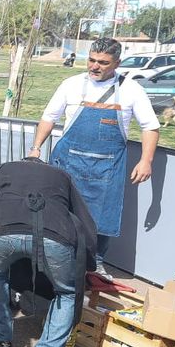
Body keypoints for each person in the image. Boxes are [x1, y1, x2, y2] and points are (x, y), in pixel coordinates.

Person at [27, 37, 159, 279]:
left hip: (107, 169)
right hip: (68, 164)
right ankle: (53, 258)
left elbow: (150, 126)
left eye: (103, 62)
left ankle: (95, 264)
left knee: (101, 218)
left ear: (116, 63)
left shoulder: (131, 90)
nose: (95, 66)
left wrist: (146, 160)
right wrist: (36, 148)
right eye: (91, 60)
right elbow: (49, 117)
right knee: (59, 212)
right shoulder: (71, 84)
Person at [0, 157, 97, 347]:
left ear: (22, 162)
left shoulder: (2, 169)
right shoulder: (61, 176)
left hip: (2, 230)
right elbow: (83, 220)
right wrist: (90, 262)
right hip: (55, 236)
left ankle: (1, 342)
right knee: (67, 293)